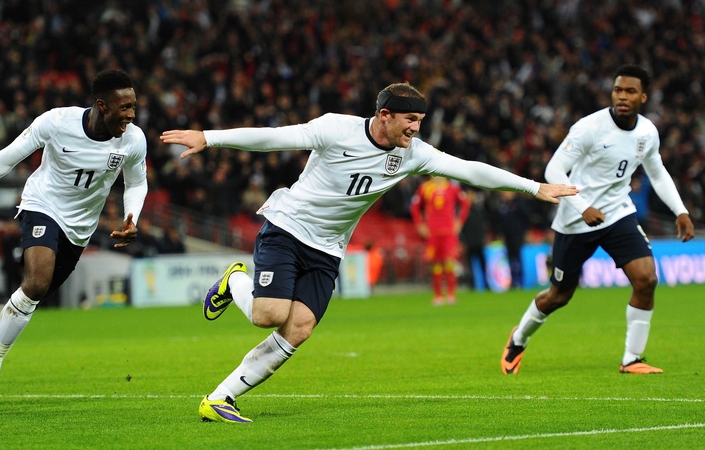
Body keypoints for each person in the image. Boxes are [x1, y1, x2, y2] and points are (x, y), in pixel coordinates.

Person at [160, 82, 578, 423]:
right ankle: (235, 280)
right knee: (266, 315)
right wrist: (209, 138)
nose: (416, 129)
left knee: (299, 328)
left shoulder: (413, 154)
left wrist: (534, 187)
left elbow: (468, 168)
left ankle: (220, 398)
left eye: (420, 121)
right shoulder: (335, 129)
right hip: (287, 228)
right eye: (410, 120)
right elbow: (275, 138)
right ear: (385, 116)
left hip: (328, 249)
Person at [0, 69, 148, 407]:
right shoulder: (57, 123)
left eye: (133, 107)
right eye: (124, 108)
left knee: (31, 297)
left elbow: (137, 182)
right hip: (42, 206)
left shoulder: (133, 140)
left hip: (80, 228)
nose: (131, 116)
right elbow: (6, 159)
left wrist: (132, 216)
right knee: (36, 282)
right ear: (102, 105)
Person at [501, 65, 695, 376]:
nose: (622, 96)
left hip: (618, 213)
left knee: (646, 279)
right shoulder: (589, 127)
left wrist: (680, 211)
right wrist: (582, 206)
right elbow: (554, 171)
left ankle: (632, 358)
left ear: (643, 97)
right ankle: (519, 338)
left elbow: (657, 172)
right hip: (576, 221)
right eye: (618, 90)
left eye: (630, 91)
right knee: (559, 296)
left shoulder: (647, 132)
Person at [409, 176, 470, 305]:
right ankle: (437, 296)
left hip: (448, 232)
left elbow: (465, 203)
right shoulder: (425, 188)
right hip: (433, 232)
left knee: (449, 262)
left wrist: (460, 221)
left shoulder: (453, 188)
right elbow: (414, 207)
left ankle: (451, 294)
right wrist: (420, 224)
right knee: (435, 264)